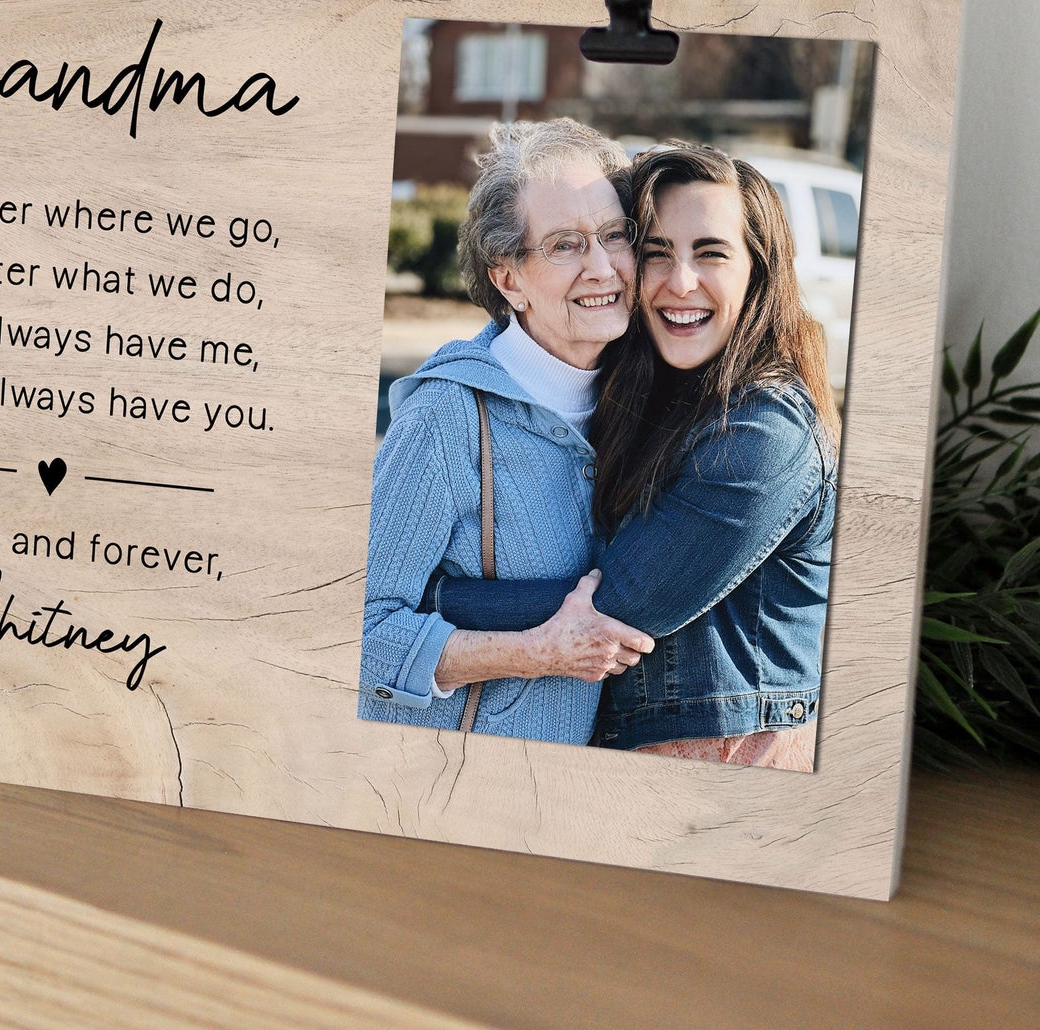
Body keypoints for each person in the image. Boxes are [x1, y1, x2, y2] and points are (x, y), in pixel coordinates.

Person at [423, 143, 839, 769]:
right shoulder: (661, 397)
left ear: (760, 271)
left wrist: (429, 601)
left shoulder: (765, 432)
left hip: (726, 767)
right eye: (656, 253)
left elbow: (617, 603)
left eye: (711, 254)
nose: (680, 282)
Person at [359, 119, 655, 744]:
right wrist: (537, 652)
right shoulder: (445, 420)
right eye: (565, 245)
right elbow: (359, 636)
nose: (602, 267)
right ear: (508, 279)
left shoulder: (647, 404)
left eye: (614, 235)